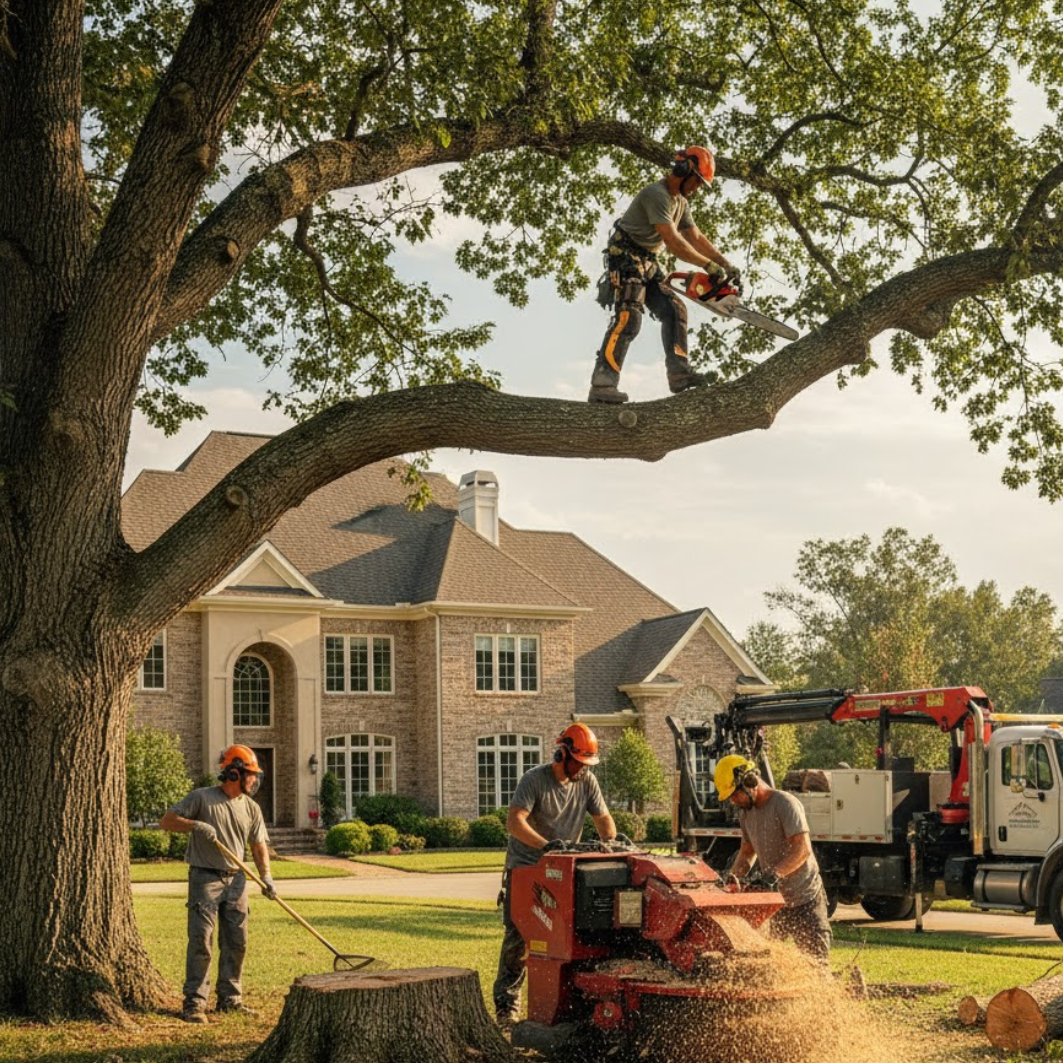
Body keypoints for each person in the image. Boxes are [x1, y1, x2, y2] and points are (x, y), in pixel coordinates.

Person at [588, 144, 741, 404]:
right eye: (697, 181)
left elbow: (695, 236)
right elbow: (673, 241)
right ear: (684, 170)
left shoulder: (681, 202)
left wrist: (725, 265)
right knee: (629, 317)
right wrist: (707, 266)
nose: (698, 187)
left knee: (674, 310)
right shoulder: (655, 194)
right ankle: (603, 384)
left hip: (648, 261)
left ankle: (679, 373)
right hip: (624, 256)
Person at [494, 722, 617, 1025]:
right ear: (562, 754)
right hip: (526, 868)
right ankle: (506, 1009)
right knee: (519, 939)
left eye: (588, 764)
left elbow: (605, 822)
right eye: (579, 762)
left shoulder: (587, 781)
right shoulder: (534, 780)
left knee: (568, 937)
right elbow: (514, 822)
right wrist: (546, 846)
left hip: (563, 870)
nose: (583, 769)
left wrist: (610, 843)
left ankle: (568, 1005)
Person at [160, 744, 278, 1023]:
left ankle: (230, 999)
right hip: (205, 877)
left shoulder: (251, 808)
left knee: (237, 941)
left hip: (236, 880)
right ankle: (194, 1003)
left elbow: (258, 844)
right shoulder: (202, 798)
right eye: (251, 774)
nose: (255, 781)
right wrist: (195, 825)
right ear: (234, 774)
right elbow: (166, 821)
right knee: (201, 941)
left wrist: (266, 877)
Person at [714, 754, 832, 966]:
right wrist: (732, 878)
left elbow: (802, 849)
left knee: (816, 963)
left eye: (734, 794)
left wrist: (774, 875)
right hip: (777, 903)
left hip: (805, 897)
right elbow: (747, 852)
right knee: (765, 964)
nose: (733, 801)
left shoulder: (785, 804)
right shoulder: (746, 813)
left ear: (749, 782)